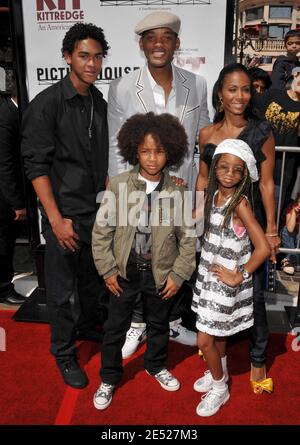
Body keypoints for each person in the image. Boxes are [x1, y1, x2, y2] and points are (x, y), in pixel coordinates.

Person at [108, 11, 210, 355]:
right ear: (142, 45)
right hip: (140, 187)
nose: (159, 45)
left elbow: (204, 134)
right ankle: (137, 323)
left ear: (176, 44)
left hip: (180, 187)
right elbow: (114, 141)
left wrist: (200, 182)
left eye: (166, 38)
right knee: (140, 253)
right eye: (151, 38)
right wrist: (119, 189)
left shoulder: (196, 84)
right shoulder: (122, 86)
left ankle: (170, 321)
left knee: (178, 252)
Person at [21, 23, 109, 389]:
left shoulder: (98, 102)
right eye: (84, 56)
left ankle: (90, 329)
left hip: (95, 215)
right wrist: (55, 220)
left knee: (91, 284)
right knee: (60, 293)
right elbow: (36, 166)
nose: (92, 63)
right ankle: (64, 353)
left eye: (98, 56)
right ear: (68, 57)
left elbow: (101, 160)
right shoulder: (47, 104)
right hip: (64, 217)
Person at [92, 112, 196, 410]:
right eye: (146, 151)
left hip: (161, 274)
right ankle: (109, 378)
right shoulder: (119, 186)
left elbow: (188, 239)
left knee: (159, 324)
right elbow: (101, 233)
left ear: (170, 153)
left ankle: (155, 365)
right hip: (124, 273)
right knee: (114, 329)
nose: (152, 158)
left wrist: (178, 275)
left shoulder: (176, 190)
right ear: (133, 151)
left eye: (160, 151)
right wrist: (108, 269)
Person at [195, 63, 280, 393]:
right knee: (215, 284)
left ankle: (258, 357)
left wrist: (271, 230)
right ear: (220, 93)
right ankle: (218, 357)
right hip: (215, 220)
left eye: (246, 89)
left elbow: (268, 184)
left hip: (248, 218)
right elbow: (203, 179)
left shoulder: (263, 131)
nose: (240, 96)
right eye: (233, 89)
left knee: (253, 295)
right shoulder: (206, 133)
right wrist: (199, 222)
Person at [192, 139, 270, 417]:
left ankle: (219, 388)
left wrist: (240, 275)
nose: (229, 173)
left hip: (225, 283)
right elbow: (193, 222)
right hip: (208, 276)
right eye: (223, 167)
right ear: (214, 169)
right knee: (219, 334)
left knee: (204, 341)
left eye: (236, 170)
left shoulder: (240, 205)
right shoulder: (214, 196)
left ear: (244, 175)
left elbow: (263, 247)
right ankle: (219, 373)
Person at [254, 66, 300, 213]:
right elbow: (254, 120)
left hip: (282, 170)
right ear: (295, 75)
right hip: (257, 163)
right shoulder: (273, 94)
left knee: (272, 212)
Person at [0, 78, 27, 305]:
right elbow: (5, 165)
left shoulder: (13, 111)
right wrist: (16, 203)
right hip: (4, 198)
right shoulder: (7, 116)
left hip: (10, 192)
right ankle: (2, 289)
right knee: (3, 243)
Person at [281, 193, 300, 275]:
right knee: (286, 230)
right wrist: (294, 213)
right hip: (289, 239)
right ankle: (289, 260)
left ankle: (296, 262)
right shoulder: (291, 208)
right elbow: (289, 229)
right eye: (299, 201)